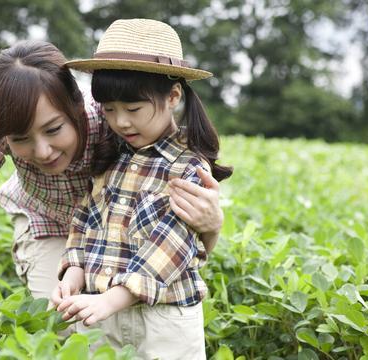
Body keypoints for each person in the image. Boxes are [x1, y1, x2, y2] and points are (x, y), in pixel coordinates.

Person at [0, 40, 225, 302]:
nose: (43, 151)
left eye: (54, 129)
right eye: (22, 139)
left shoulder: (111, 116)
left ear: (77, 106)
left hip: (112, 226)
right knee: (59, 319)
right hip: (45, 223)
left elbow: (175, 216)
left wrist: (211, 225)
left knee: (123, 309)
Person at [53, 19, 233, 359]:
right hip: (102, 314)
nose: (121, 122)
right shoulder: (111, 157)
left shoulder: (187, 168)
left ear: (173, 96)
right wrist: (74, 270)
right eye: (109, 110)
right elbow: (86, 220)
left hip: (163, 322)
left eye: (133, 109)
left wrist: (110, 299)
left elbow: (170, 247)